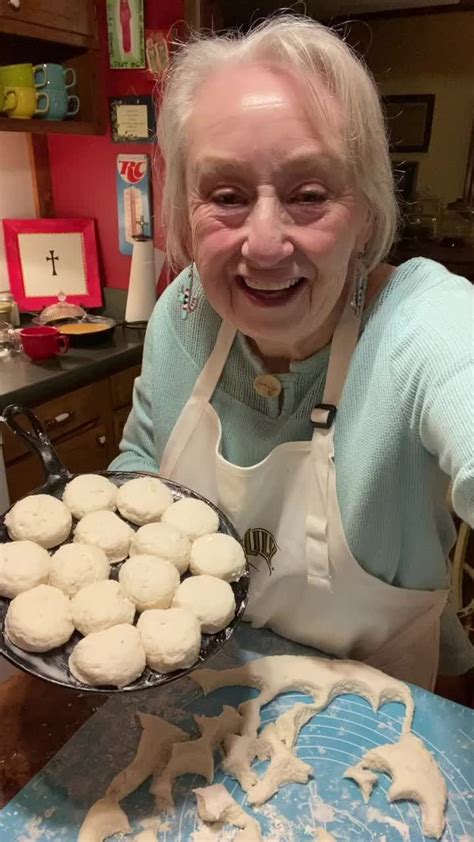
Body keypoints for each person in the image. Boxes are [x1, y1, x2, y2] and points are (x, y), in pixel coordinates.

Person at [110, 15, 474, 691]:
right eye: (226, 196)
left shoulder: (420, 321)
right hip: (201, 698)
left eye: (309, 195)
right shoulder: (182, 314)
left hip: (380, 725)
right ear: (186, 212)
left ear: (365, 210)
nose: (266, 244)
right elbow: (142, 465)